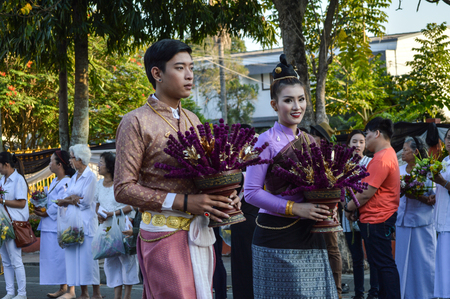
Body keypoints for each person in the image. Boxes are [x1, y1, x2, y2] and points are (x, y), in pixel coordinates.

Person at [114, 39, 239, 299]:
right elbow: (123, 189)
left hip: (200, 232)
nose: (190, 75)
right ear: (156, 73)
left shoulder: (193, 119)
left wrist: (227, 194)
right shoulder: (135, 121)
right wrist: (184, 201)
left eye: (191, 68)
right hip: (162, 233)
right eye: (180, 68)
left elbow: (209, 174)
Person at [244, 54, 337, 298]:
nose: (297, 107)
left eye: (301, 99)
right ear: (275, 105)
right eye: (288, 100)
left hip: (311, 233)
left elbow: (322, 187)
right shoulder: (264, 141)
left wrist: (329, 206)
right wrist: (296, 208)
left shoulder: (310, 141)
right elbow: (251, 193)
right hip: (276, 234)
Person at [344, 117, 401, 299]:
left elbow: (366, 192)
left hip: (378, 218)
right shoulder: (386, 155)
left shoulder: (382, 158)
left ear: (377, 133)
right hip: (377, 218)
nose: (365, 140)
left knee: (384, 264)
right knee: (381, 264)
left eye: (366, 135)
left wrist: (348, 207)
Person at [56, 144, 102, 299]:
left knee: (89, 259)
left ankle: (96, 293)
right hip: (73, 223)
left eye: (72, 157)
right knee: (76, 259)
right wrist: (71, 199)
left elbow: (85, 202)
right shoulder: (75, 176)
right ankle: (83, 293)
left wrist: (68, 200)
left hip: (86, 223)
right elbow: (72, 197)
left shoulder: (90, 176)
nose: (70, 160)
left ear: (80, 158)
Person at [94, 152, 139, 299]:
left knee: (127, 259)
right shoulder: (98, 184)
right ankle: (117, 296)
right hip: (106, 226)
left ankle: (127, 296)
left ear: (110, 166)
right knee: (110, 260)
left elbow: (132, 205)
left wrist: (113, 213)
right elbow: (98, 204)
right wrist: (99, 215)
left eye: (101, 162)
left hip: (122, 224)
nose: (98, 165)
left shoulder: (121, 183)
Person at [395, 137, 435, 299]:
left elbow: (435, 195)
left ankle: (427, 295)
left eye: (405, 149)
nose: (402, 152)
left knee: (424, 262)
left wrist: (424, 198)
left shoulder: (428, 170)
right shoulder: (399, 170)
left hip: (423, 222)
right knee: (403, 262)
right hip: (403, 222)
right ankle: (405, 294)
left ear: (416, 151)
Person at [341, 130, 379, 299]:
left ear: (365, 145)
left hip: (365, 215)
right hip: (347, 216)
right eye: (354, 141)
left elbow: (371, 190)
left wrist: (355, 206)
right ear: (349, 144)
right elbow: (339, 190)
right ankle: (358, 293)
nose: (357, 145)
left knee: (372, 257)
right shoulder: (341, 164)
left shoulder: (371, 163)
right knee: (356, 258)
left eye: (361, 142)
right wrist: (346, 207)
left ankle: (374, 291)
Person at [34, 150, 76, 298]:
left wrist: (46, 212)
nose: (49, 164)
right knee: (55, 259)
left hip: (58, 226)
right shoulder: (54, 181)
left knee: (64, 257)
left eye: (52, 161)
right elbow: (49, 200)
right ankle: (62, 287)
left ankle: (71, 290)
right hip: (49, 225)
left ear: (59, 164)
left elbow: (60, 203)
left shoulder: (67, 182)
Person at [311, 122, 343, 298]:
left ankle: (337, 291)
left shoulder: (331, 159)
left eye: (314, 137)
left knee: (332, 248)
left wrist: (334, 207)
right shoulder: (307, 156)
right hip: (308, 209)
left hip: (329, 209)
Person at [0, 152, 28, 299]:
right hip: (2, 224)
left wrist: (2, 201)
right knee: (5, 260)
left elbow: (22, 203)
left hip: (14, 224)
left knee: (16, 260)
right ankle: (10, 292)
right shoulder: (2, 179)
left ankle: (22, 293)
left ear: (6, 164)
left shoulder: (18, 180)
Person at [430, 128, 450, 299]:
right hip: (443, 221)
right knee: (443, 263)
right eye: (448, 138)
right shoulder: (444, 162)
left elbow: (445, 185)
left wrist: (443, 182)